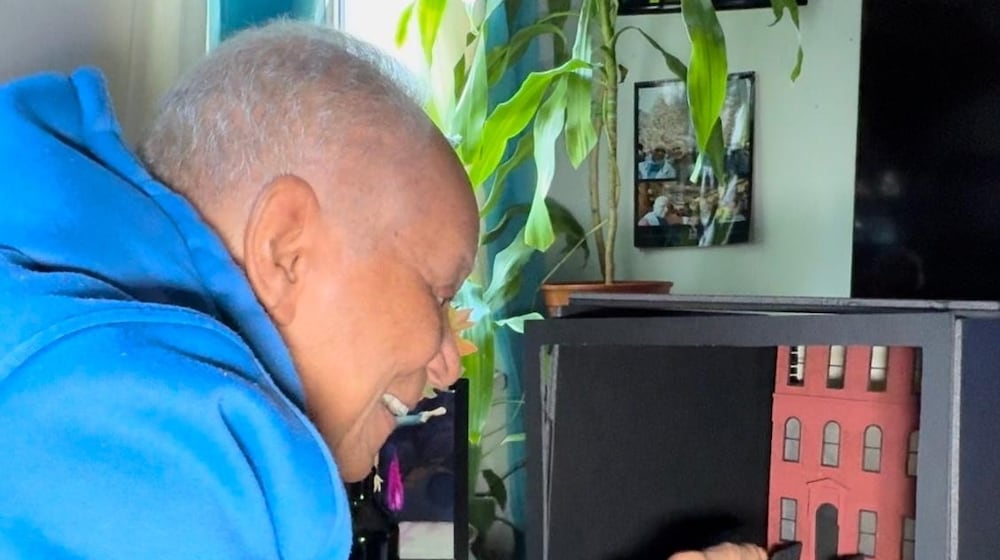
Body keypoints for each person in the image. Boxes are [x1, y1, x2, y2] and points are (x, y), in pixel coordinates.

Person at [0, 21, 765, 560]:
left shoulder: (74, 366)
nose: (449, 362)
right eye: (437, 289)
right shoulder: (154, 436)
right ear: (286, 250)